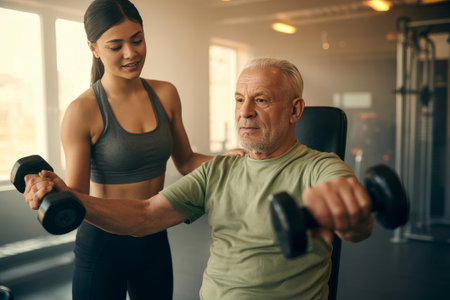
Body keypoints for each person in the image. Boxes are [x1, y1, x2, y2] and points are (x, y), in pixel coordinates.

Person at [25, 57, 374, 299]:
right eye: (239, 99)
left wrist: (350, 215)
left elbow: (353, 219)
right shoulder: (218, 170)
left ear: (295, 110)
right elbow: (144, 215)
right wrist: (72, 197)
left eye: (261, 100)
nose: (245, 111)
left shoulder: (319, 167)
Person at [54, 0, 244, 299]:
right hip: (103, 245)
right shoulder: (82, 111)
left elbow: (186, 161)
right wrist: (47, 188)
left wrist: (229, 160)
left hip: (153, 237)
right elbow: (76, 198)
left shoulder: (165, 93)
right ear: (94, 48)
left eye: (137, 40)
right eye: (116, 46)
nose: (131, 53)